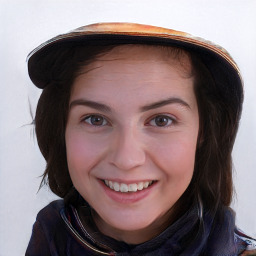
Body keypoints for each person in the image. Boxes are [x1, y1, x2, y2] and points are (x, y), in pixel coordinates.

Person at [25, 23, 256, 255]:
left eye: (161, 120)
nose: (126, 160)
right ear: (61, 128)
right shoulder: (49, 235)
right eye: (96, 119)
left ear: (204, 131)